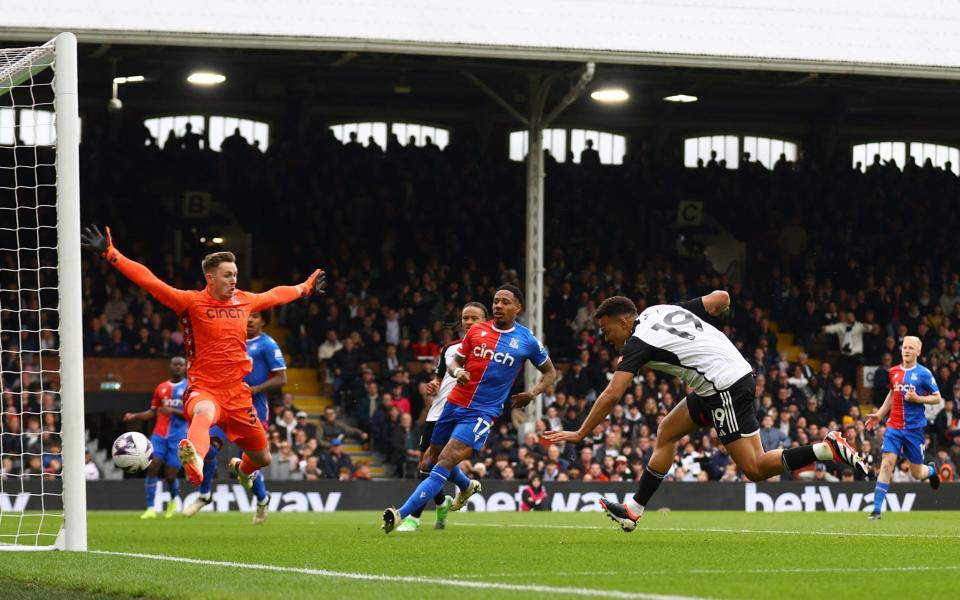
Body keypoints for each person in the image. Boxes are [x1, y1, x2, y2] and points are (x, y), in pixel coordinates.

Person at [545, 293, 866, 532]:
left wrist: (581, 433)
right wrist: (723, 306)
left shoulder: (637, 342)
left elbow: (612, 393)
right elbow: (719, 298)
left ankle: (825, 449)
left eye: (606, 330)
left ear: (624, 322)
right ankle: (633, 509)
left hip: (721, 386)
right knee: (667, 432)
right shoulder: (660, 310)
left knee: (754, 468)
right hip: (727, 377)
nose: (605, 337)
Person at [80, 225, 325, 494]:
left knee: (262, 458)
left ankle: (240, 470)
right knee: (203, 412)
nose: (234, 280)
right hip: (204, 388)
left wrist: (305, 288)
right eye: (227, 275)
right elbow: (150, 281)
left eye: (235, 274)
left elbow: (276, 295)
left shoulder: (245, 300)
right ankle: (194, 459)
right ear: (210, 278)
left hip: (238, 394)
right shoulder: (190, 303)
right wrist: (111, 253)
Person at [382, 285, 556, 533]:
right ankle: (465, 487)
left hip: (481, 413)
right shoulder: (477, 331)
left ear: (519, 307)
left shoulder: (527, 339)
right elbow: (454, 362)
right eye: (495, 301)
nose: (498, 306)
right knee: (430, 460)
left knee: (443, 461)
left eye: (505, 302)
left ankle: (403, 514)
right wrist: (457, 371)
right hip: (453, 404)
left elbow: (550, 372)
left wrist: (533, 393)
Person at [183, 309, 287, 524]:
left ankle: (261, 499)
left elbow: (281, 379)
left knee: (252, 461)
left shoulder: (267, 345)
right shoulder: (233, 338)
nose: (249, 319)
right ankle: (204, 494)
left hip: (252, 408)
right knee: (209, 446)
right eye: (248, 315)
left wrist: (254, 389)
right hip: (224, 403)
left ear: (264, 322)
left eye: (256, 316)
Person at [396, 302, 487, 532]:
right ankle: (459, 490)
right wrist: (434, 384)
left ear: (485, 322)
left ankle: (412, 519)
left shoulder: (491, 351)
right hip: (438, 411)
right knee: (428, 464)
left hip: (465, 413)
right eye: (465, 318)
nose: (468, 322)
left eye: (474, 318)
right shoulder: (450, 348)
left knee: (430, 464)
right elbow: (440, 378)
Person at [865, 336, 942, 520]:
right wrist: (880, 414)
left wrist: (918, 399)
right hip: (894, 427)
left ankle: (931, 471)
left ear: (918, 352)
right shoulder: (893, 372)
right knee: (887, 463)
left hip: (914, 430)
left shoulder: (924, 373)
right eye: (904, 347)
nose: (906, 350)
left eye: (910, 348)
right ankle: (876, 510)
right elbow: (893, 392)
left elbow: (937, 397)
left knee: (917, 473)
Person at [122, 356, 188, 519]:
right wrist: (135, 416)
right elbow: (153, 411)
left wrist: (172, 411)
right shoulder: (161, 388)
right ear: (170, 367)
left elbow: (192, 413)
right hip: (159, 435)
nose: (178, 367)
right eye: (175, 364)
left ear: (185, 367)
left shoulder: (190, 388)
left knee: (170, 475)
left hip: (179, 437)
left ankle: (173, 500)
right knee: (152, 467)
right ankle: (151, 508)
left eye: (181, 365)